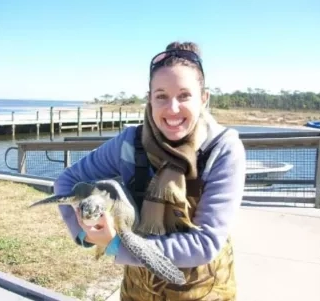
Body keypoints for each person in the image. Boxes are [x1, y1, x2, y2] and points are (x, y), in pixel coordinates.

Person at [54, 41, 246, 301]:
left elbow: (205, 244)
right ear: (150, 99)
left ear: (204, 98)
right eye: (162, 96)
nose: (173, 108)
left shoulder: (222, 149)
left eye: (184, 95)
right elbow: (68, 180)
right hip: (139, 288)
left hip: (203, 289)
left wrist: (118, 245)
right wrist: (84, 231)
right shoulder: (129, 143)